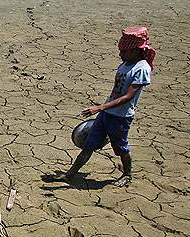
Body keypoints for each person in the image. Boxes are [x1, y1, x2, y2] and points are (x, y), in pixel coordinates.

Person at [61, 27, 155, 187]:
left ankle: (127, 174)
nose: (120, 54)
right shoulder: (125, 64)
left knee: (121, 148)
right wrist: (103, 110)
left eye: (123, 51)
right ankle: (70, 174)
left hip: (121, 117)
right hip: (106, 113)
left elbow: (128, 97)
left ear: (135, 50)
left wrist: (99, 108)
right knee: (88, 144)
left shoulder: (142, 68)